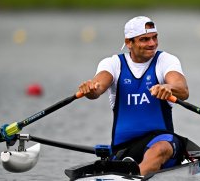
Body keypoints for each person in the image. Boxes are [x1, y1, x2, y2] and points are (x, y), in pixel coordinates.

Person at [78, 16, 189, 176]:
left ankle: (135, 176)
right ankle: (134, 170)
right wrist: (90, 89)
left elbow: (183, 90)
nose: (152, 44)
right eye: (144, 39)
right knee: (129, 159)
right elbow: (97, 88)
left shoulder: (165, 61)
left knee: (161, 148)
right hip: (124, 149)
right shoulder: (113, 64)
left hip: (164, 142)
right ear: (129, 43)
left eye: (154, 37)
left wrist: (168, 87)